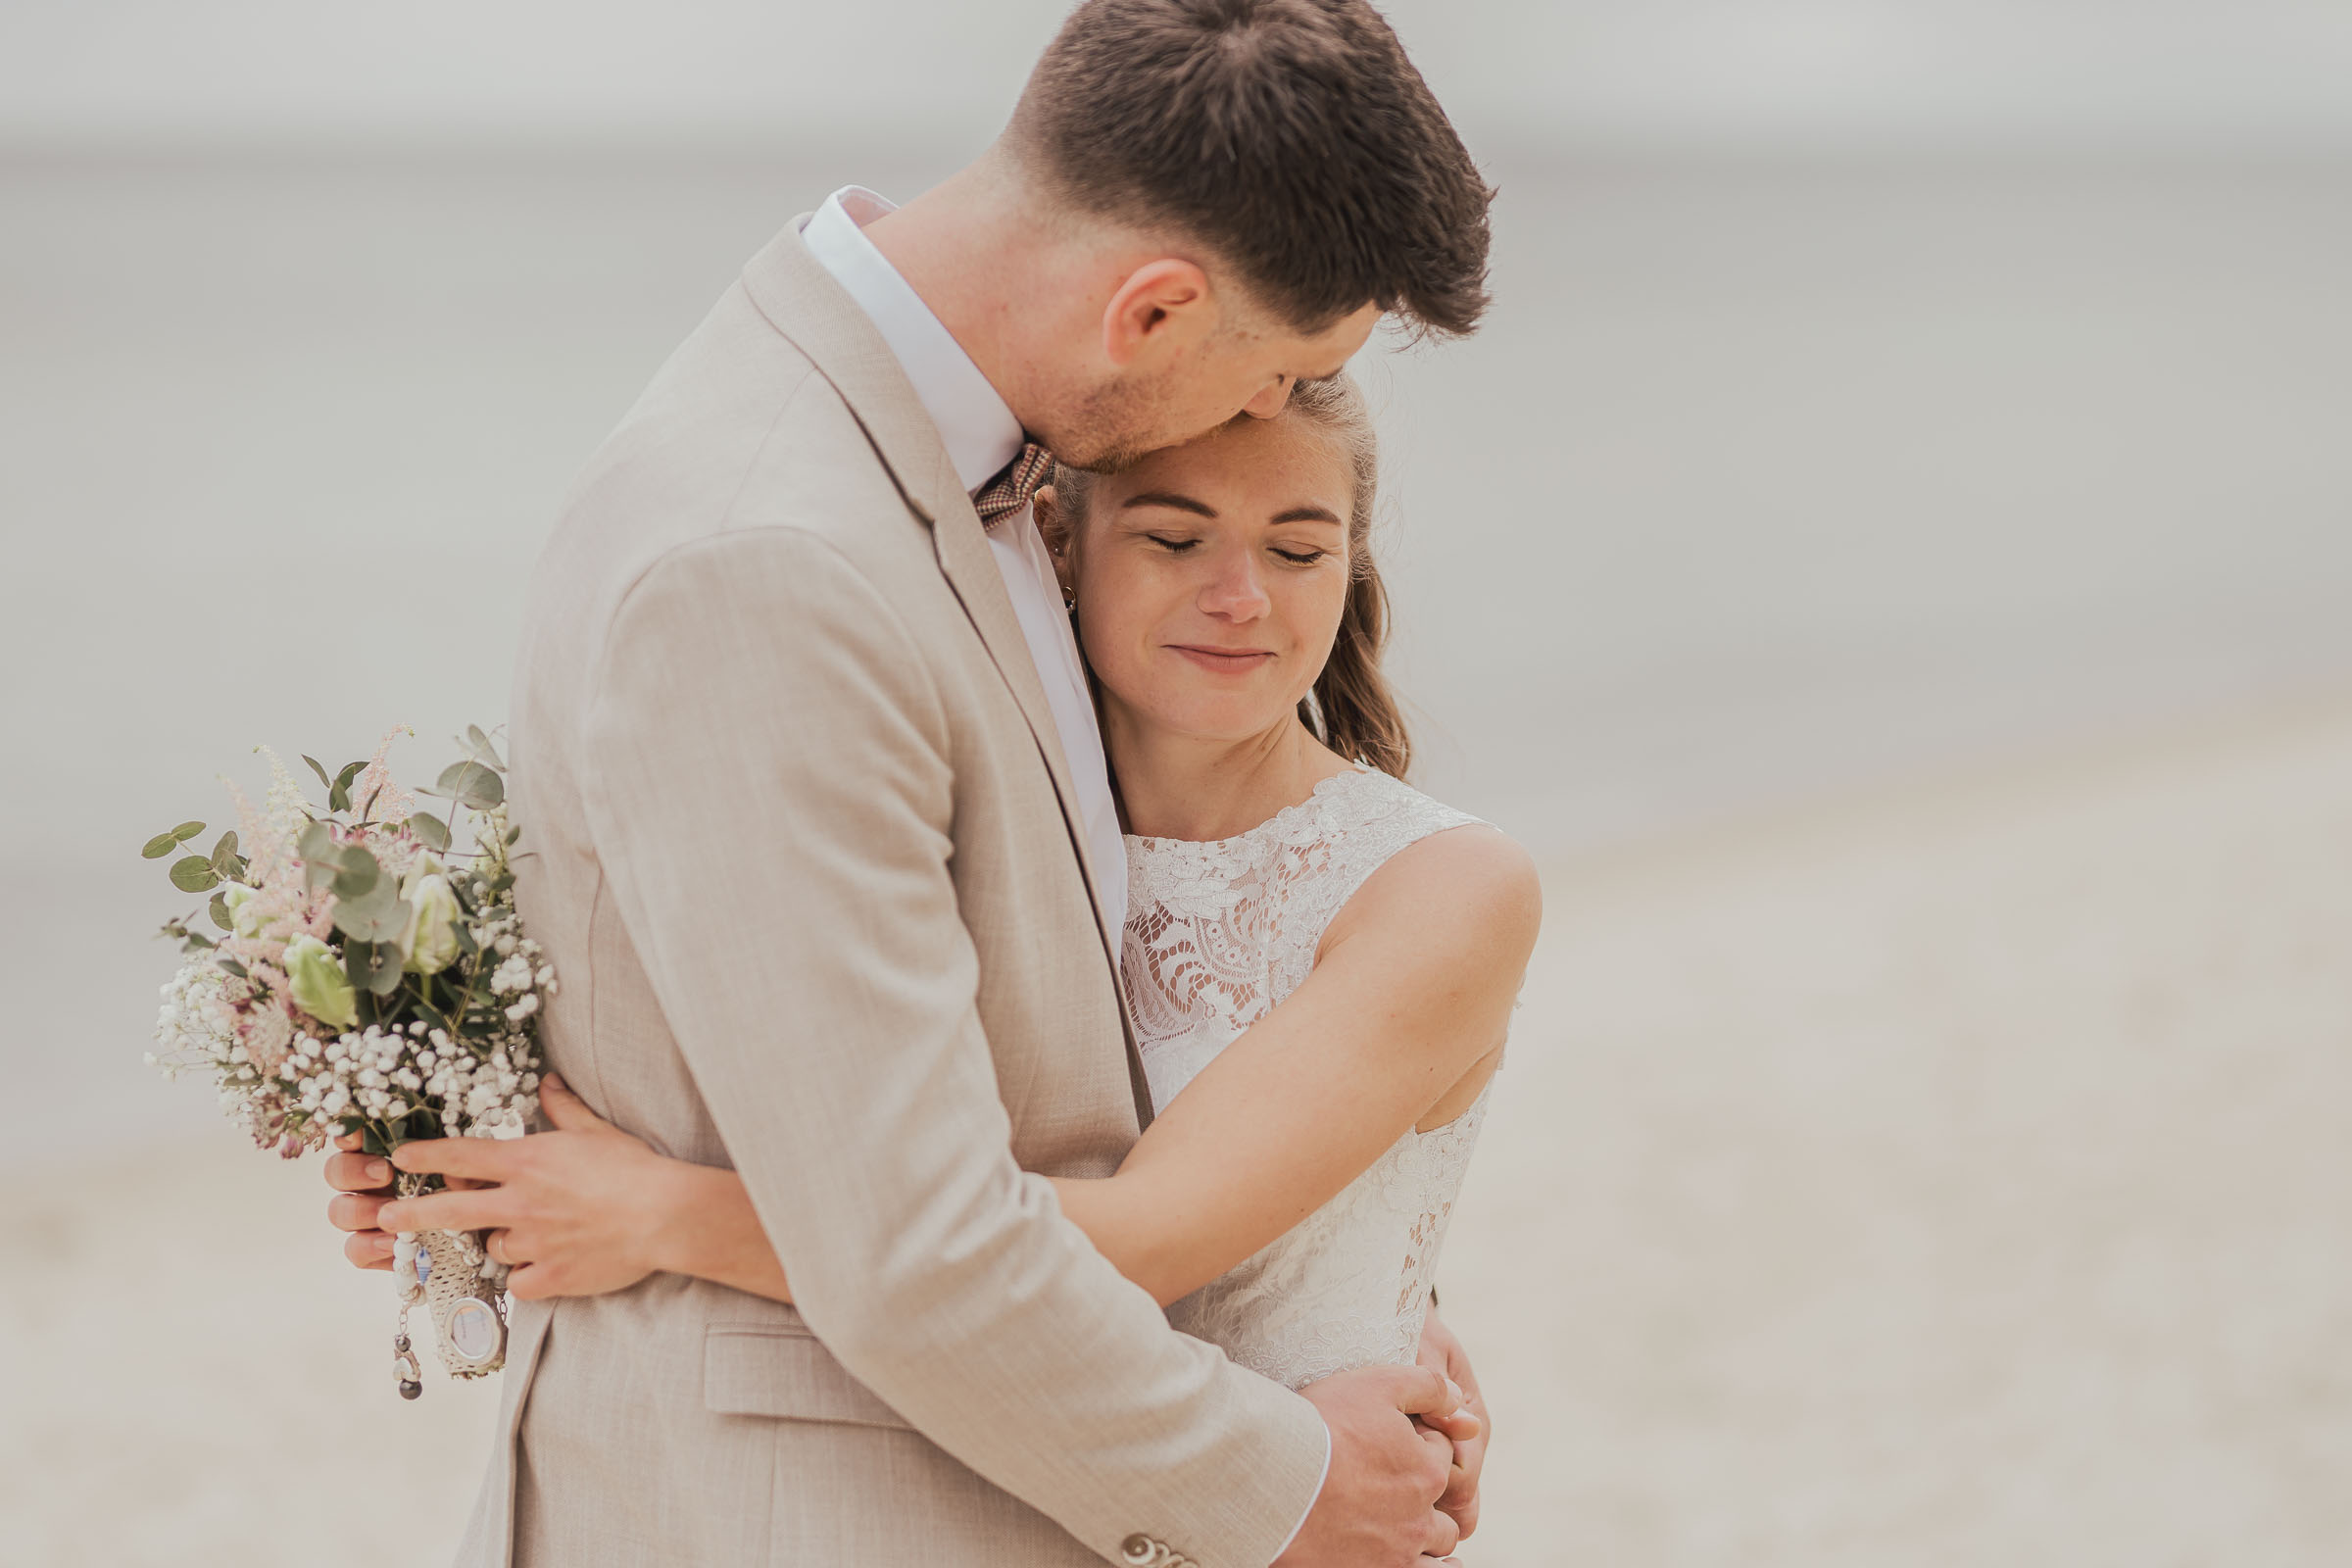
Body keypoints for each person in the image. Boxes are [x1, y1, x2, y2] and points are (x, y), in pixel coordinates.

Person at [326, 3, 1499, 1564]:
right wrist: (1276, 1478)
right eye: (1281, 370)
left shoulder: (956, 468)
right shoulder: (774, 559)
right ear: (1150, 313)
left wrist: (1350, 1298)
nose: (1272, 423)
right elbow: (912, 1250)